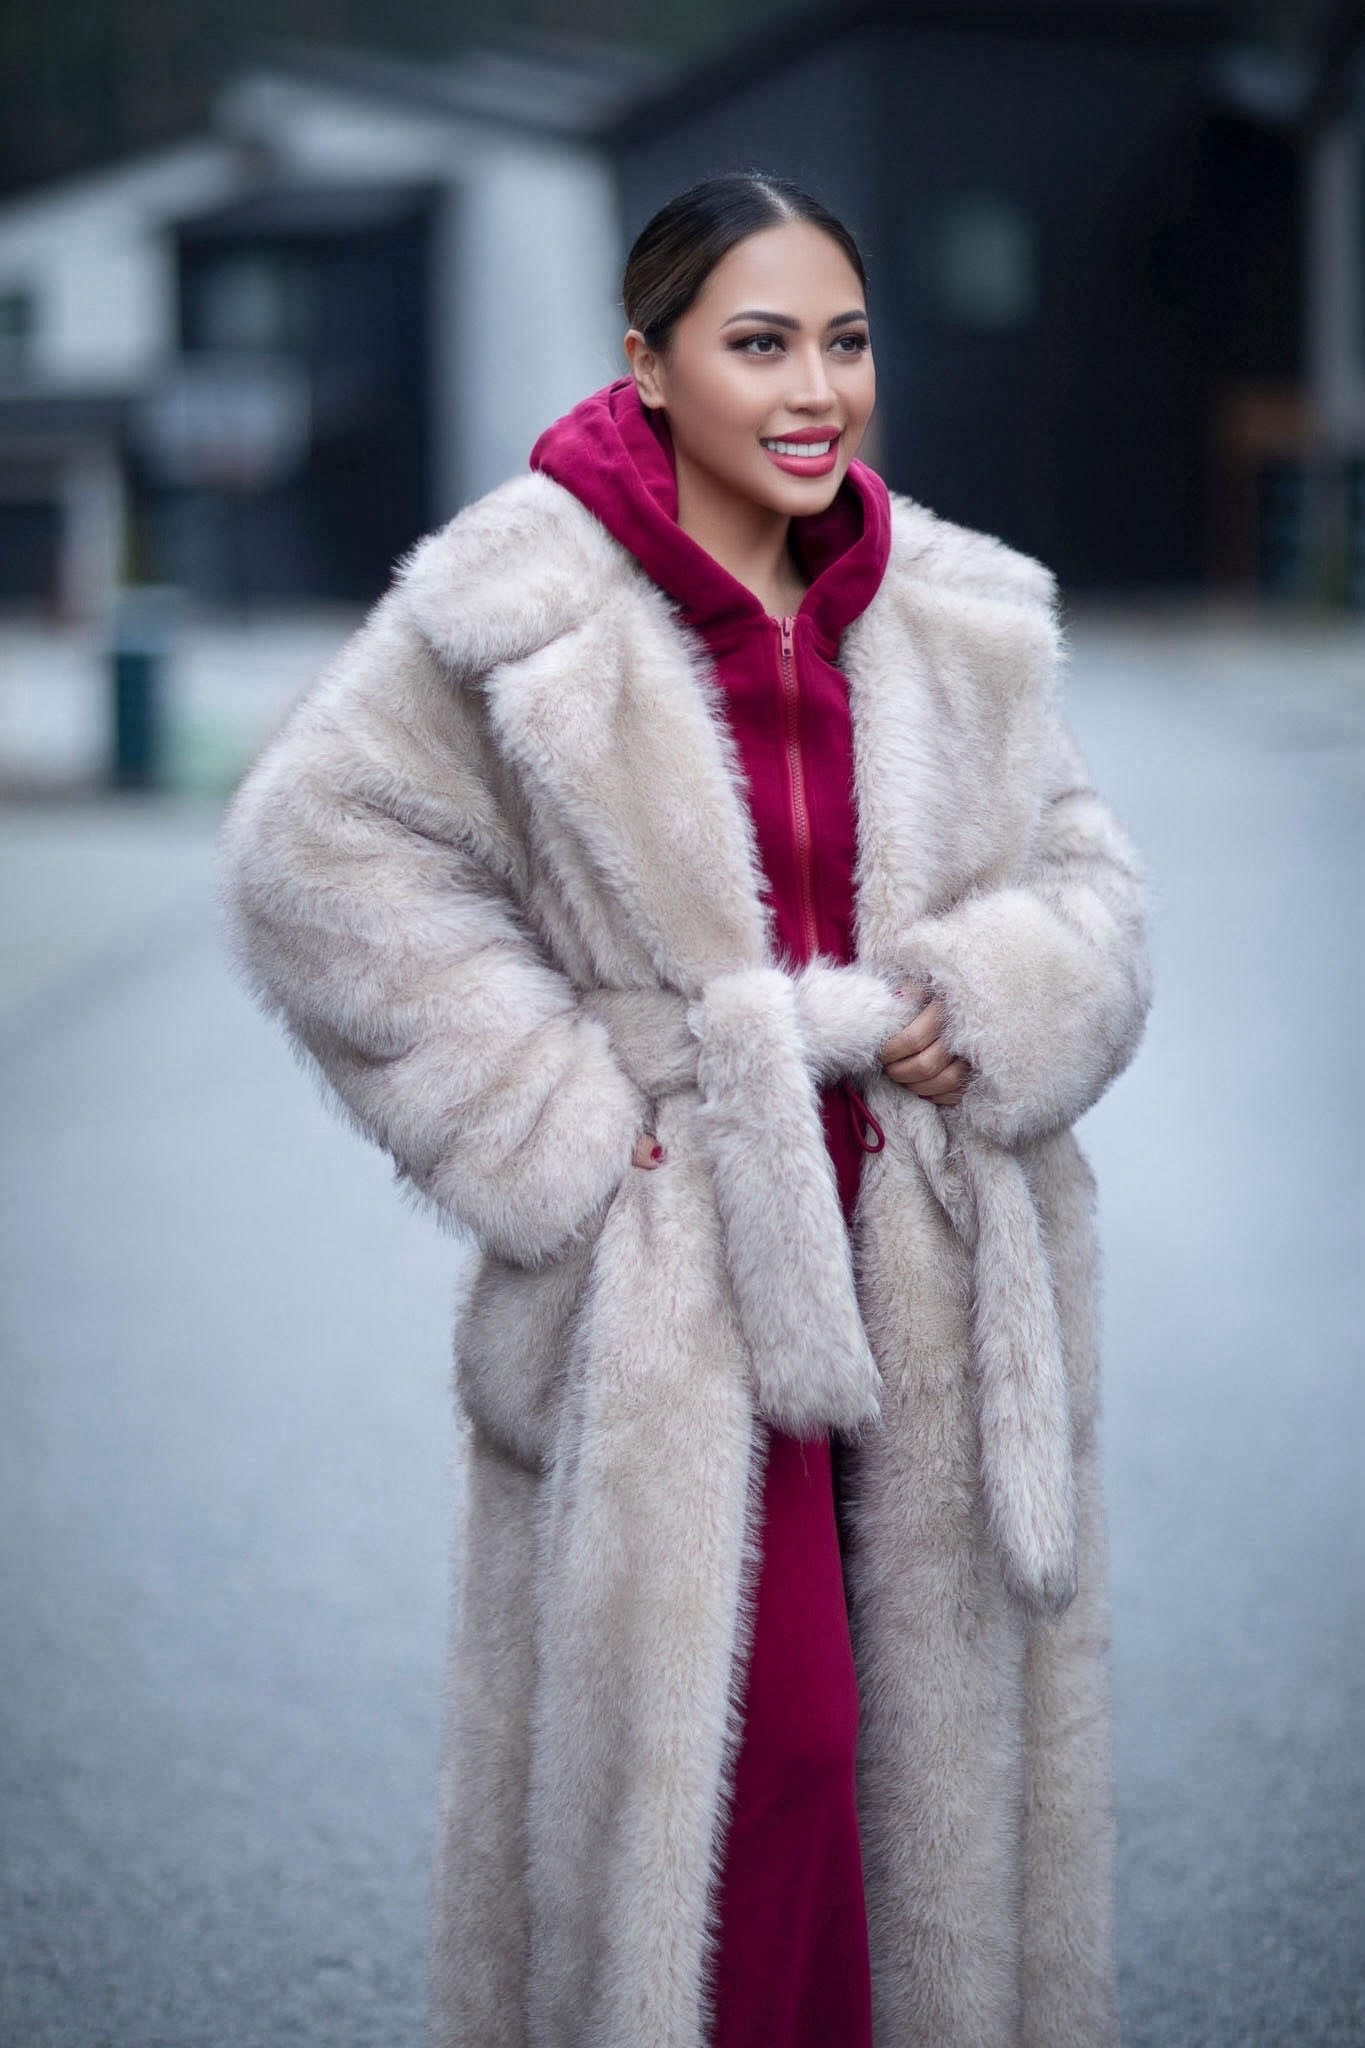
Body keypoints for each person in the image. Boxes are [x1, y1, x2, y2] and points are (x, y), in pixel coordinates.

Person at [217, 170, 1152, 2048]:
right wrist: (566, 1120)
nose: (815, 390)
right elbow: (312, 855)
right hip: (679, 1273)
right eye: (758, 344)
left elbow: (1088, 881)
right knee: (758, 1755)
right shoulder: (525, 599)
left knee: (926, 1775)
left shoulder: (954, 608)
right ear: (645, 365)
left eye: (845, 342)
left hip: (932, 1253)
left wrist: (989, 1000)